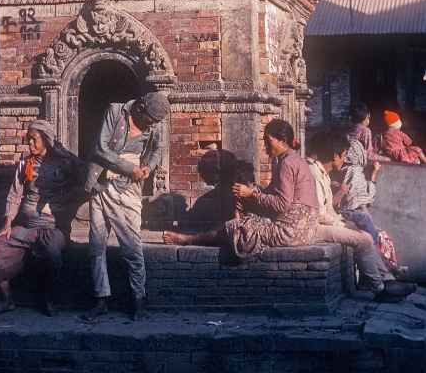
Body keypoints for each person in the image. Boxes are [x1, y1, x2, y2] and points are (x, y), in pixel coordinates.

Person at [164, 119, 319, 258]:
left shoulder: (287, 163)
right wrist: (250, 194)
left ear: (282, 140)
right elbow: (273, 195)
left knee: (234, 229)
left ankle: (188, 240)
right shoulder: (292, 160)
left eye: (268, 141)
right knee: (246, 216)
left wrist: (250, 193)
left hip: (291, 231)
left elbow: (282, 204)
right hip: (306, 230)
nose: (265, 146)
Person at [84, 91, 170, 321]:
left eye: (155, 122)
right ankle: (101, 298)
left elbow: (157, 150)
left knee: (132, 246)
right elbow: (101, 148)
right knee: (96, 246)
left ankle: (138, 300)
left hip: (128, 188)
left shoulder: (154, 125)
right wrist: (127, 167)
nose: (151, 124)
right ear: (140, 107)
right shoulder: (115, 111)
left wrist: (147, 168)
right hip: (101, 182)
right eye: (149, 119)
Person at [0, 119, 84, 316]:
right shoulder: (25, 163)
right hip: (28, 227)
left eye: (34, 140)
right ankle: (7, 299)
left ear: (47, 140)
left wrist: (63, 205)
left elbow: (85, 185)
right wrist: (7, 224)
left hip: (54, 228)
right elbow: (15, 194)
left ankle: (49, 299)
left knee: (52, 251)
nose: (29, 144)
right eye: (28, 140)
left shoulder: (65, 162)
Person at [306, 132, 414, 301]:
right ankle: (379, 288)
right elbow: (320, 214)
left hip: (326, 221)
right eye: (343, 156)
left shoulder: (322, 173)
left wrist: (342, 222)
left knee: (365, 235)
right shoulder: (313, 173)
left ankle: (387, 280)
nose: (344, 160)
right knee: (362, 239)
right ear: (334, 156)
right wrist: (340, 223)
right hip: (315, 227)